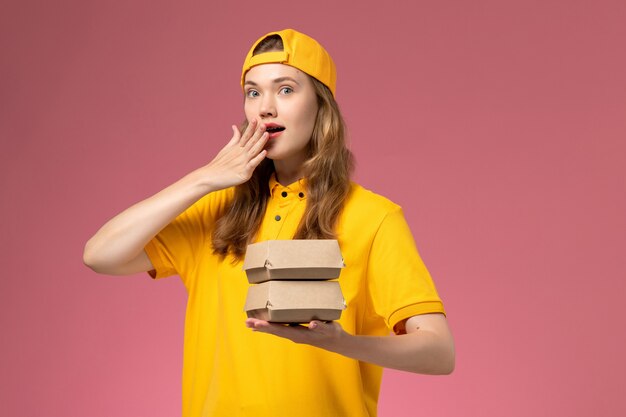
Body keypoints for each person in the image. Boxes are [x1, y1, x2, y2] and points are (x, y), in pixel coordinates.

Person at [84, 28, 455, 417]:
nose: (265, 108)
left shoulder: (374, 217)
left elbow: (438, 351)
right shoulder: (216, 209)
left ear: (321, 105)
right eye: (253, 92)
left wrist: (340, 343)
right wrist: (204, 178)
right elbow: (100, 255)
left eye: (286, 90)